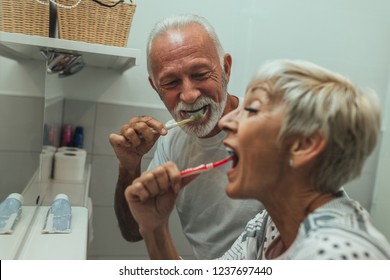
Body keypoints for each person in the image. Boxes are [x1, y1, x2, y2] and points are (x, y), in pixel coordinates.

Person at [125, 59, 390, 259]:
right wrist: (155, 228)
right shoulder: (268, 225)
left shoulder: (334, 257)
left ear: (304, 144)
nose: (227, 120)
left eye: (251, 109)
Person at [109, 14, 263, 259]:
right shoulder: (171, 140)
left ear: (226, 69)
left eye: (200, 74)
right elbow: (134, 231)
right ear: (155, 87)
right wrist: (129, 167)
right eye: (171, 82)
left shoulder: (274, 131)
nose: (189, 95)